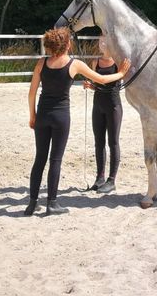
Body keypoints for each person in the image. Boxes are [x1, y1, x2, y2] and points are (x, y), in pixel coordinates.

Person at [25, 27, 130, 216]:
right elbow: (102, 79)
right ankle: (52, 203)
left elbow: (32, 92)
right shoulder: (74, 64)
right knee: (55, 160)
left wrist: (32, 115)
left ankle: (32, 203)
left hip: (42, 115)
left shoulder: (42, 62)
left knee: (39, 159)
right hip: (61, 117)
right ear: (68, 44)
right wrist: (121, 74)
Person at [83, 35, 123, 193]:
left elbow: (116, 84)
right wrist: (90, 86)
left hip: (113, 106)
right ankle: (100, 177)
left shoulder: (119, 62)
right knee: (98, 142)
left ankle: (112, 180)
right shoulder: (95, 62)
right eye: (100, 41)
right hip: (97, 106)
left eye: (105, 41)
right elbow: (98, 84)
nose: (103, 44)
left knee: (113, 142)